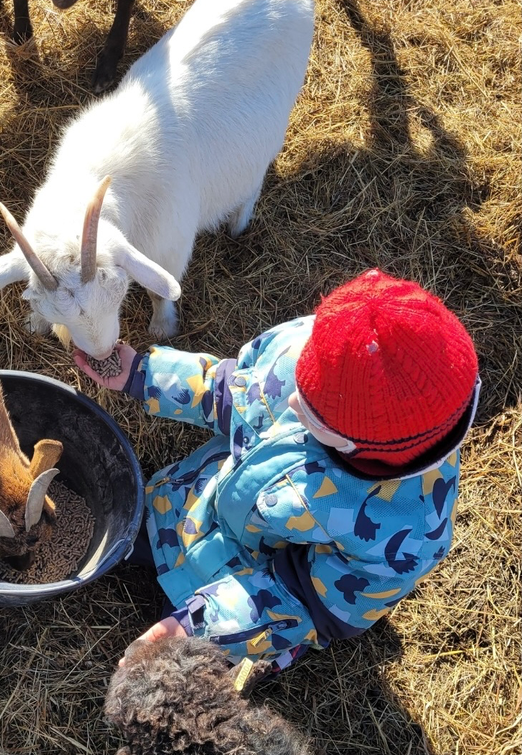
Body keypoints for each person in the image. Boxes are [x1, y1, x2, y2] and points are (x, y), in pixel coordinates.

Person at [74, 269, 480, 675]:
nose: (290, 401)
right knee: (115, 529)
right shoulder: (320, 346)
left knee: (178, 663)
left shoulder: (405, 535)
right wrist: (143, 376)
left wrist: (197, 624)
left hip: (246, 590)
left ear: (364, 451)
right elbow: (234, 389)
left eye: (310, 410)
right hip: (189, 504)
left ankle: (218, 640)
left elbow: (305, 598)